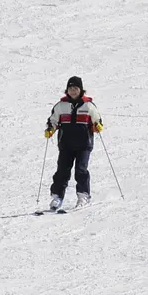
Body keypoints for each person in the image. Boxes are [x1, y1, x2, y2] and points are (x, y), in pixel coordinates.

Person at [44, 76, 103, 211]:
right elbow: (53, 120)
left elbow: (97, 119)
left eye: (76, 88)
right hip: (66, 145)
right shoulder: (61, 105)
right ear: (67, 90)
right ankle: (57, 197)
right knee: (62, 171)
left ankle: (83, 196)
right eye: (70, 88)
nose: (73, 91)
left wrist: (97, 125)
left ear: (81, 89)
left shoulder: (88, 105)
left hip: (84, 144)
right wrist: (50, 129)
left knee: (81, 170)